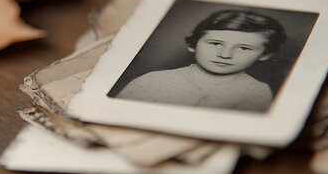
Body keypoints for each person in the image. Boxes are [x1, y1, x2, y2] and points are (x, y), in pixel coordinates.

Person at [116, 10, 287, 112]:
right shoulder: (153, 80)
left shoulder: (257, 92)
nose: (225, 54)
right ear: (193, 44)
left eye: (244, 48)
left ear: (265, 54)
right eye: (215, 43)